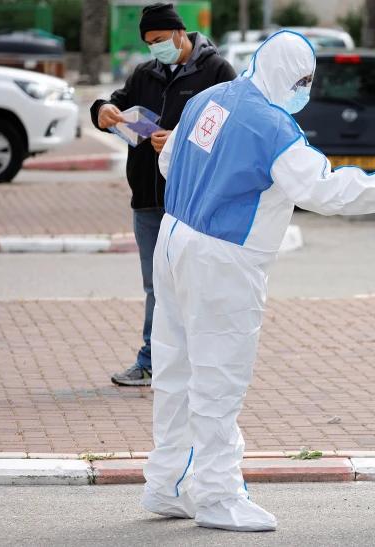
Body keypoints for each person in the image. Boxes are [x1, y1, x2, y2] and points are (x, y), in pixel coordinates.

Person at [141, 30, 375, 532]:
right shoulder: (273, 127)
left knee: (176, 372)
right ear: (288, 75)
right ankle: (218, 496)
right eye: (304, 79)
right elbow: (325, 190)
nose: (306, 88)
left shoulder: (208, 99)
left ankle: (167, 484)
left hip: (176, 238)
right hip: (226, 258)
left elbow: (168, 159)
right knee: (219, 379)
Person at [90, 3, 235, 386]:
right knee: (157, 285)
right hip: (148, 200)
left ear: (179, 32)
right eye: (149, 43)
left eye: (159, 40)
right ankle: (151, 361)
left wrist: (178, 141)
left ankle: (202, 365)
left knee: (198, 284)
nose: (155, 48)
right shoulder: (145, 73)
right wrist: (103, 109)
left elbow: (234, 128)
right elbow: (117, 103)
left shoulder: (217, 73)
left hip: (193, 202)